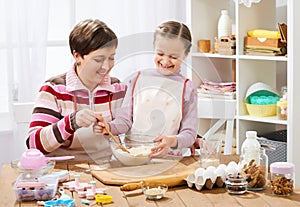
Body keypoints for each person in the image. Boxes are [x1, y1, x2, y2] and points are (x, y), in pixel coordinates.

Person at [26, 19, 126, 163]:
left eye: (111, 58)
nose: (106, 66)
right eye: (98, 59)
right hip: (63, 171)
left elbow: (132, 136)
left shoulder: (118, 89)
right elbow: (34, 145)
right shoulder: (54, 89)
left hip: (107, 170)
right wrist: (71, 122)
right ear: (77, 56)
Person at [95, 21, 198, 157]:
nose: (166, 61)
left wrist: (172, 140)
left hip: (169, 161)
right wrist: (109, 127)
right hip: (133, 157)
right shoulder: (137, 79)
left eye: (173, 57)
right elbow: (125, 121)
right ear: (153, 47)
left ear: (186, 54)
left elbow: (190, 134)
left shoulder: (187, 88)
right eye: (160, 54)